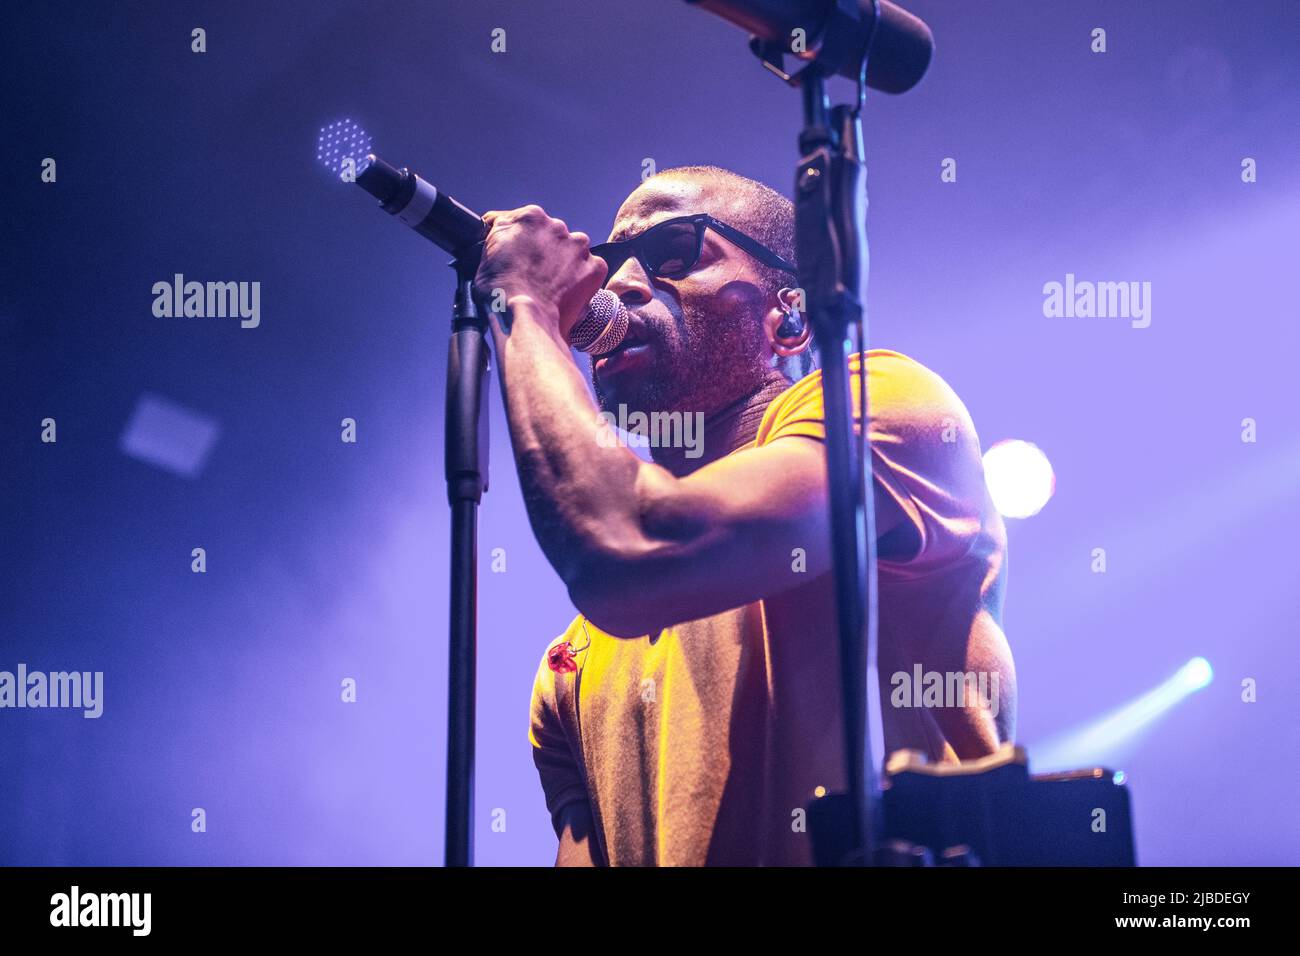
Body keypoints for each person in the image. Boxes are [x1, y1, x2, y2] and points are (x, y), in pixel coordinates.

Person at [474, 165, 1014, 866]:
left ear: (788, 314)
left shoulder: (887, 404)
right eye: (607, 265)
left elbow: (628, 547)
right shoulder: (568, 668)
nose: (619, 286)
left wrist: (524, 302)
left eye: (675, 251)